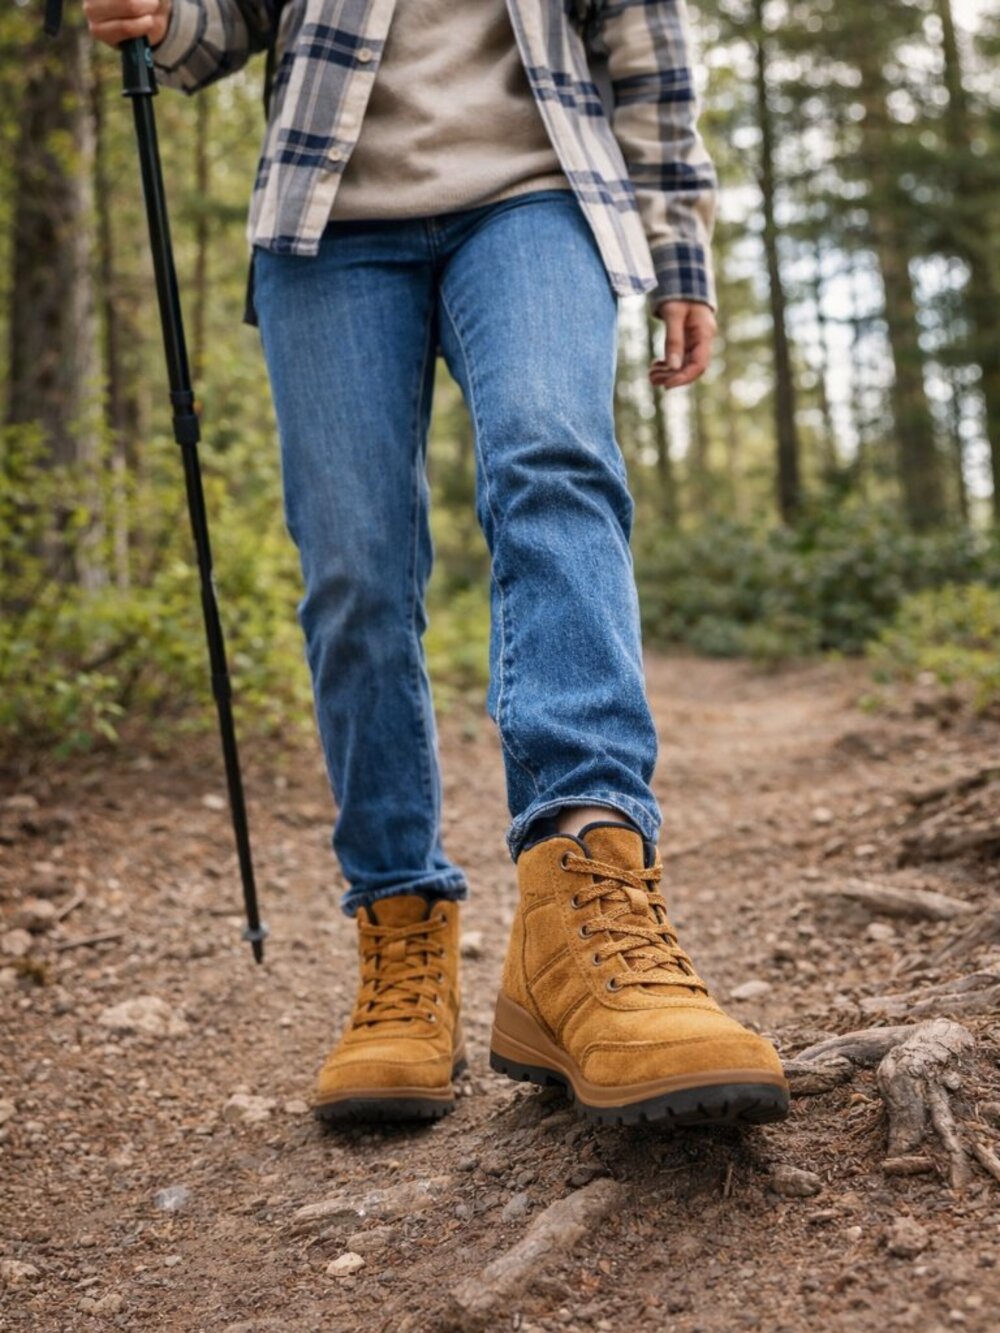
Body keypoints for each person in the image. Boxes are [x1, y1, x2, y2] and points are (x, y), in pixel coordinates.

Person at [84, 0, 789, 1127]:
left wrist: (679, 254)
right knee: (354, 570)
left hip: (537, 195)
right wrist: (159, 20)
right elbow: (216, 33)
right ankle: (399, 932)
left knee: (553, 463)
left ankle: (586, 870)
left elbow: (647, 56)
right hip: (327, 220)